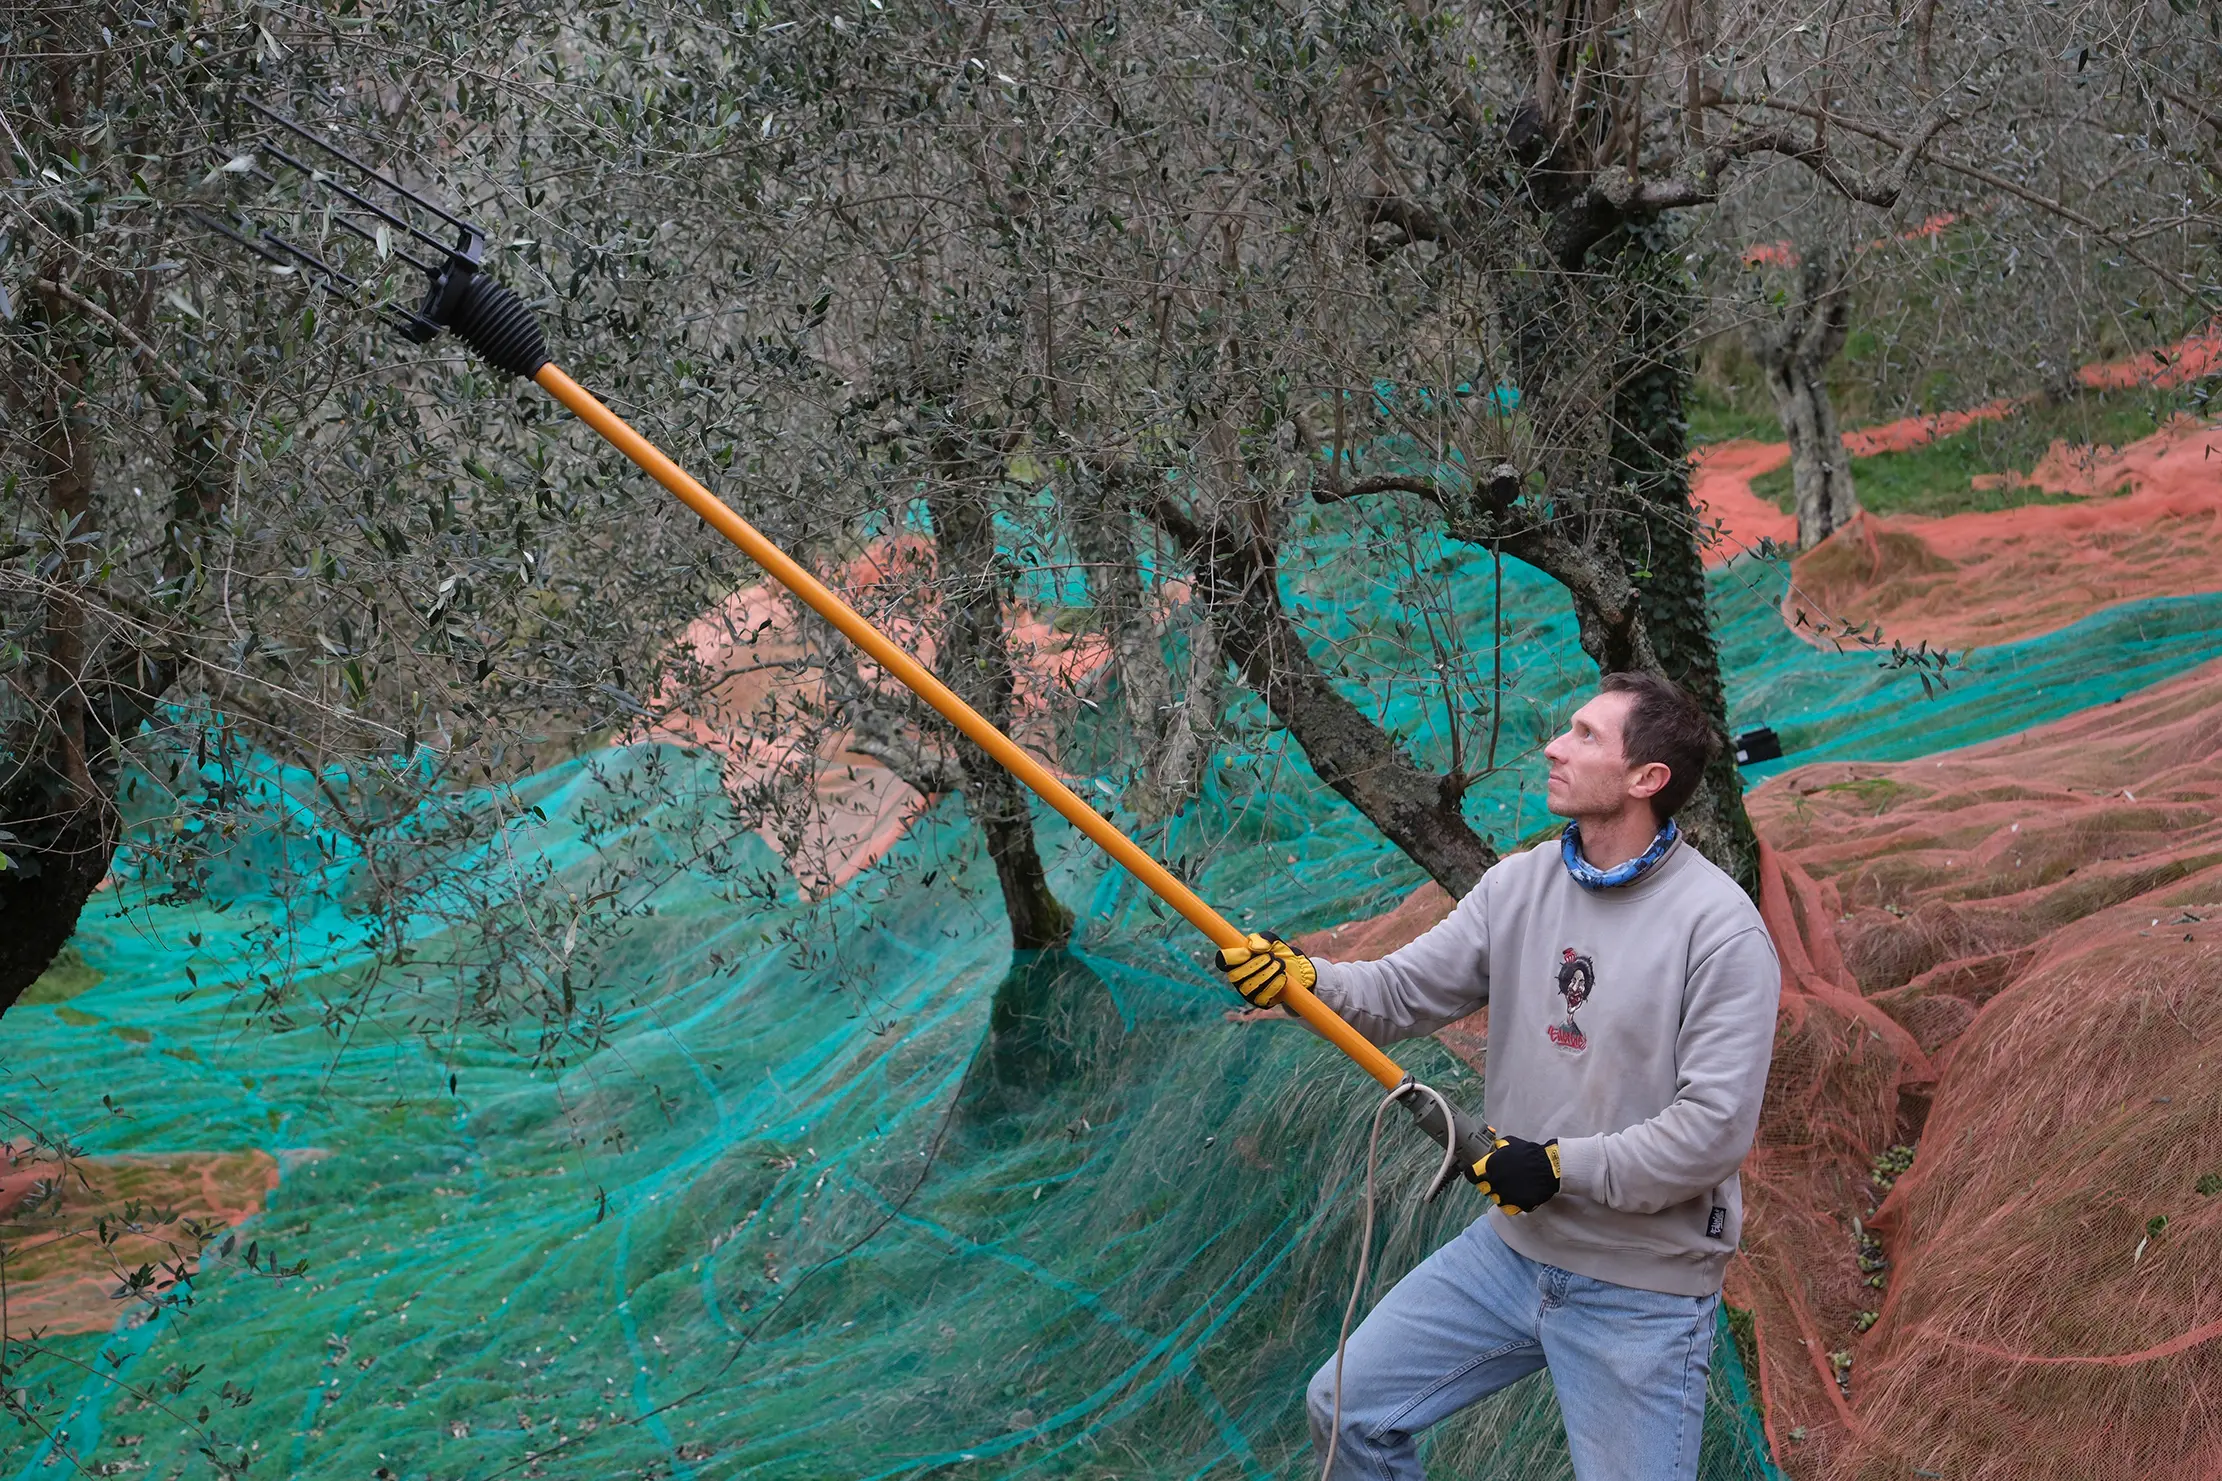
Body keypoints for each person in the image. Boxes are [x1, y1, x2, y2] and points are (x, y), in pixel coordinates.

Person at [1215, 672, 1780, 1481]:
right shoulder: (1521, 885)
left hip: (1639, 1290)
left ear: (1646, 779)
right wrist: (1305, 980)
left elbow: (1713, 1132)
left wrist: (1559, 1165)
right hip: (1512, 1254)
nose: (1554, 744)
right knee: (1348, 1409)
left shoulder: (1719, 930)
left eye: (1586, 734)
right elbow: (1401, 992)